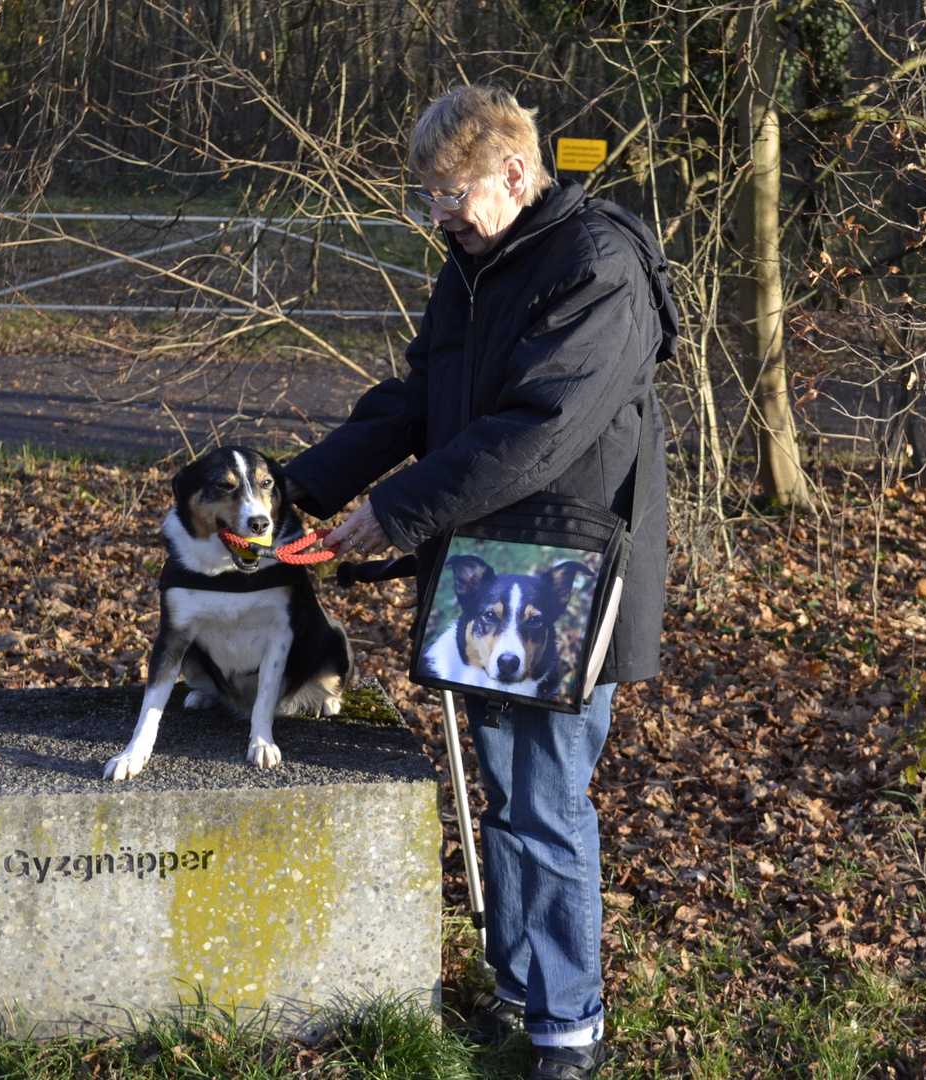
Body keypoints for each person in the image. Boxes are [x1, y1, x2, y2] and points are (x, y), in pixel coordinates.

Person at [283, 82, 673, 1080]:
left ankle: (568, 1027)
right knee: (508, 796)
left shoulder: (597, 263)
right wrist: (303, 487)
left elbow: (539, 430)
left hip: (564, 570)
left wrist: (399, 510)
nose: (439, 214)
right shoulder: (471, 270)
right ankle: (522, 991)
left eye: (451, 191)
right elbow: (419, 399)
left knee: (545, 797)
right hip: (492, 567)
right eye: (427, 198)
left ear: (514, 167)